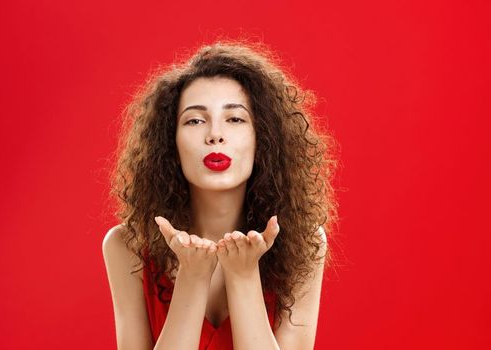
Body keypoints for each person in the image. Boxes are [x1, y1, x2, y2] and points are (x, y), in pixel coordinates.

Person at [102, 41, 338, 350]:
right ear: (170, 142)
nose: (215, 134)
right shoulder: (126, 246)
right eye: (195, 120)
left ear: (262, 139)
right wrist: (192, 277)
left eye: (235, 119)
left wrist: (242, 276)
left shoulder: (305, 242)